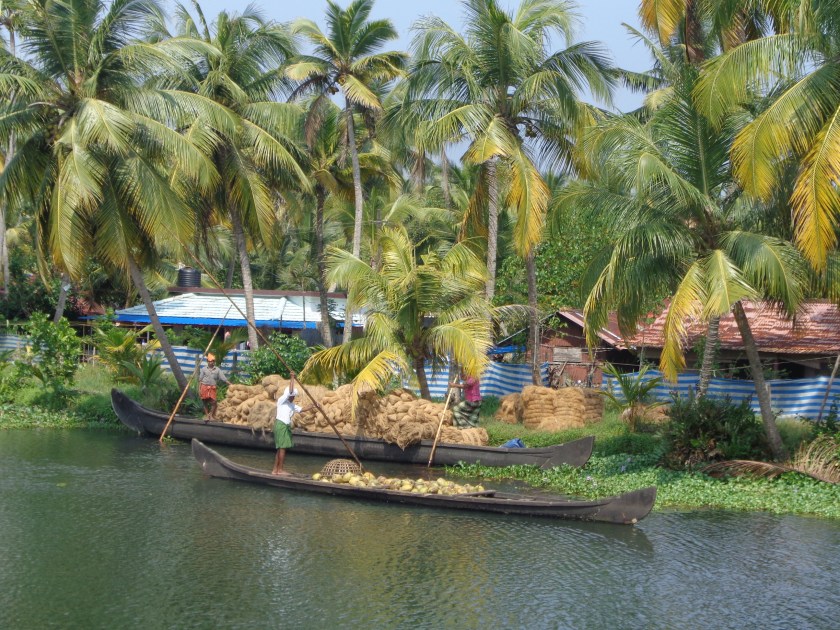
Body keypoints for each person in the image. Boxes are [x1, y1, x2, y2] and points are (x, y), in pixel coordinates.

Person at [272, 373, 307, 475]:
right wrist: (292, 378)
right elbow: (290, 390)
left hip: (285, 427)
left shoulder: (291, 405)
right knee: (282, 448)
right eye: (292, 396)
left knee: (281, 448)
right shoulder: (282, 400)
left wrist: (314, 406)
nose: (293, 398)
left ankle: (275, 470)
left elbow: (301, 409)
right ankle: (280, 470)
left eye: (294, 397)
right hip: (281, 425)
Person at [199, 353, 229, 422]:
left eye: (212, 361)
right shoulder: (204, 369)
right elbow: (200, 380)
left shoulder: (217, 370)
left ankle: (211, 415)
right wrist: (199, 389)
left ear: (214, 362)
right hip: (204, 387)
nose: (210, 363)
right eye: (209, 361)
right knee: (205, 402)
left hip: (212, 388)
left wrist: (230, 384)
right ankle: (207, 416)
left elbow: (223, 378)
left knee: (214, 402)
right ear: (207, 362)